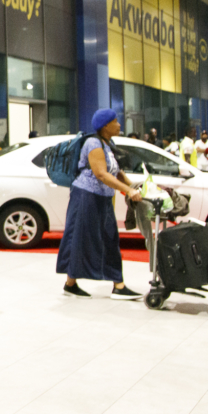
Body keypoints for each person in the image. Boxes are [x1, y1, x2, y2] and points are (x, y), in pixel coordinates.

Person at [56, 109, 143, 300]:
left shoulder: (108, 143)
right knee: (80, 239)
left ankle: (117, 285)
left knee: (109, 238)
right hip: (86, 197)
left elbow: (115, 171)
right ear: (105, 125)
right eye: (116, 121)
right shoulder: (93, 143)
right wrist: (128, 191)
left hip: (101, 198)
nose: (119, 125)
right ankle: (71, 284)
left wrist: (133, 187)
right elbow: (101, 174)